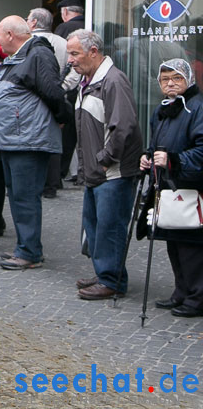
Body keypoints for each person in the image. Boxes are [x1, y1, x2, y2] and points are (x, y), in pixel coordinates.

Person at [0, 16, 69, 270]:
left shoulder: (37, 55)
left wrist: (62, 118)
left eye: (0, 35)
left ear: (11, 35)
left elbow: (53, 93)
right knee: (18, 196)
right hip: (15, 140)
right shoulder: (23, 57)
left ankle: (29, 252)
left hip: (27, 141)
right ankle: (26, 247)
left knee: (25, 197)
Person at [67, 29, 142, 300]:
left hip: (112, 172)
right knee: (96, 225)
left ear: (93, 52)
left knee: (110, 226)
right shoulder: (90, 80)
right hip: (98, 171)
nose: (71, 60)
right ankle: (105, 274)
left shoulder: (113, 81)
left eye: (75, 53)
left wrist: (104, 161)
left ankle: (112, 280)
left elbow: (123, 127)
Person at [142, 58, 203, 316]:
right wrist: (148, 156)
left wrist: (174, 161)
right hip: (166, 185)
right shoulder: (163, 109)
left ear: (188, 80)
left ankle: (198, 297)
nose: (170, 84)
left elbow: (201, 150)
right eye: (165, 79)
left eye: (177, 78)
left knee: (192, 247)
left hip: (190, 186)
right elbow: (158, 142)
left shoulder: (197, 108)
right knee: (173, 242)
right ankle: (181, 291)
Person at [28, 6, 70, 198]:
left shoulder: (28, 43)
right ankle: (53, 183)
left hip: (36, 99)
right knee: (54, 139)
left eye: (28, 19)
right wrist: (65, 87)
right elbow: (74, 68)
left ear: (34, 22)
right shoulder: (64, 43)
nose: (27, 22)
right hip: (60, 94)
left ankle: (39, 182)